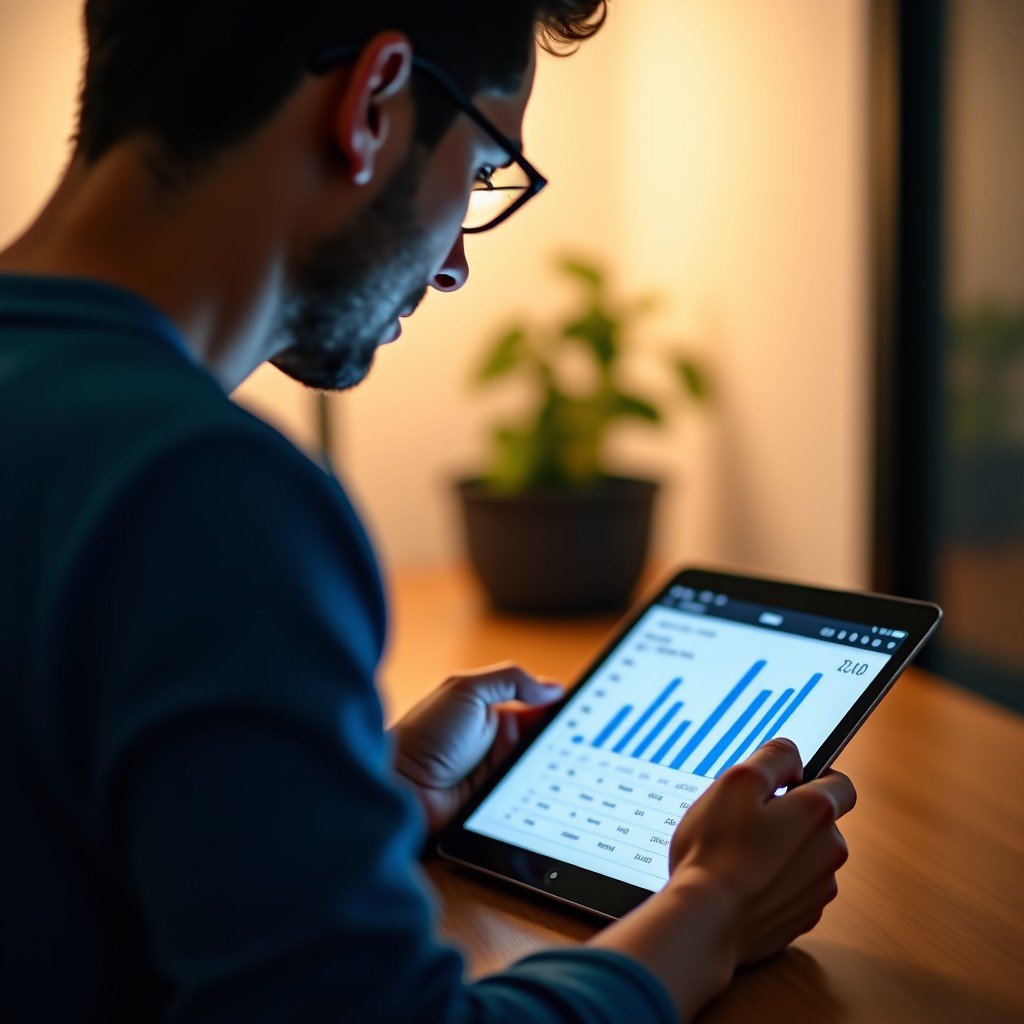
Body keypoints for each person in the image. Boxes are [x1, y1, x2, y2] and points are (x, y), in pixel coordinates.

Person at [0, 2, 855, 1021]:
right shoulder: (200, 491)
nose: (453, 262)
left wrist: (368, 792)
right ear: (371, 103)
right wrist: (712, 907)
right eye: (485, 168)